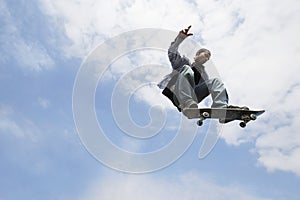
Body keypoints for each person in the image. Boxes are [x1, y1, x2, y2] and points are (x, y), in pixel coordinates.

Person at [157, 25, 247, 118]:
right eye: (206, 55)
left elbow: (210, 89)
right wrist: (180, 38)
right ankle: (187, 103)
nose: (207, 58)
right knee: (187, 69)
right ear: (197, 55)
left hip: (193, 98)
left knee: (215, 81)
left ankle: (221, 108)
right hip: (177, 95)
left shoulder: (204, 75)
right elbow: (172, 52)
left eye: (208, 57)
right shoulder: (183, 62)